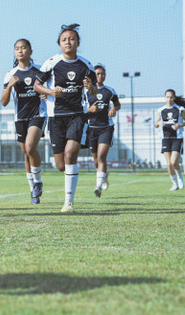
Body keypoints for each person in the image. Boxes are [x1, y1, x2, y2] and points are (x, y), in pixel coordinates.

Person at [34, 23, 97, 213]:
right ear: (59, 44)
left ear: (78, 42)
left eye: (71, 39)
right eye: (64, 39)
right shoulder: (52, 62)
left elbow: (94, 90)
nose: (68, 42)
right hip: (55, 117)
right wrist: (51, 91)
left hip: (77, 115)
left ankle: (68, 201)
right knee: (61, 165)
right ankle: (68, 185)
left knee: (71, 155)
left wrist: (90, 87)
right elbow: (37, 85)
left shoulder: (86, 65)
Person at [1, 39, 47, 205]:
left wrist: (46, 94)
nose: (20, 51)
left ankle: (38, 181)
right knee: (26, 154)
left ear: (30, 51)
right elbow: (4, 101)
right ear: (14, 52)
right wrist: (10, 86)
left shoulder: (40, 70)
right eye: (17, 49)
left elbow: (49, 87)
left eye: (23, 48)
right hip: (20, 117)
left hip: (38, 114)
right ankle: (33, 191)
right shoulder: (11, 74)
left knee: (30, 147)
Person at [86, 64, 121, 197]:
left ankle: (98, 187)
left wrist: (113, 109)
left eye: (102, 74)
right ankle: (104, 176)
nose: (100, 76)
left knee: (101, 157)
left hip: (106, 128)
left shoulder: (109, 91)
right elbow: (81, 108)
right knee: (96, 159)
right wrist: (90, 110)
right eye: (97, 74)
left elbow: (117, 104)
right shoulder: (86, 91)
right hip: (91, 128)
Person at [154, 89, 185, 191]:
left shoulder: (179, 109)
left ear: (174, 98)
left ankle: (180, 177)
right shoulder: (161, 110)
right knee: (169, 164)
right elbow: (155, 124)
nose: (169, 99)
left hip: (177, 138)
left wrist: (179, 125)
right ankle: (174, 183)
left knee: (174, 161)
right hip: (165, 138)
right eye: (167, 97)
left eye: (171, 97)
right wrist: (159, 123)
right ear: (165, 98)